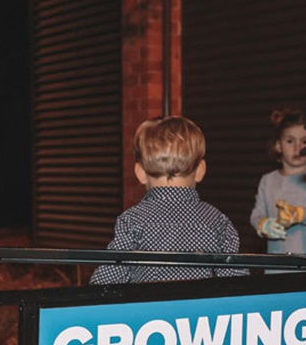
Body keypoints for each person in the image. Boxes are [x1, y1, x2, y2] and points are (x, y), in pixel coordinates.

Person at [91, 116, 246, 284]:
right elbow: (237, 282)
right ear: (200, 170)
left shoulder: (132, 220)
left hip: (151, 308)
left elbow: (106, 281)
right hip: (198, 310)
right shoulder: (217, 221)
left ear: (140, 173)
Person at [251, 109, 306, 256]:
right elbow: (257, 214)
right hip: (278, 262)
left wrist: (300, 214)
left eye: (305, 141)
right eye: (290, 141)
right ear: (278, 145)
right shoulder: (268, 180)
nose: (298, 148)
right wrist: (263, 224)